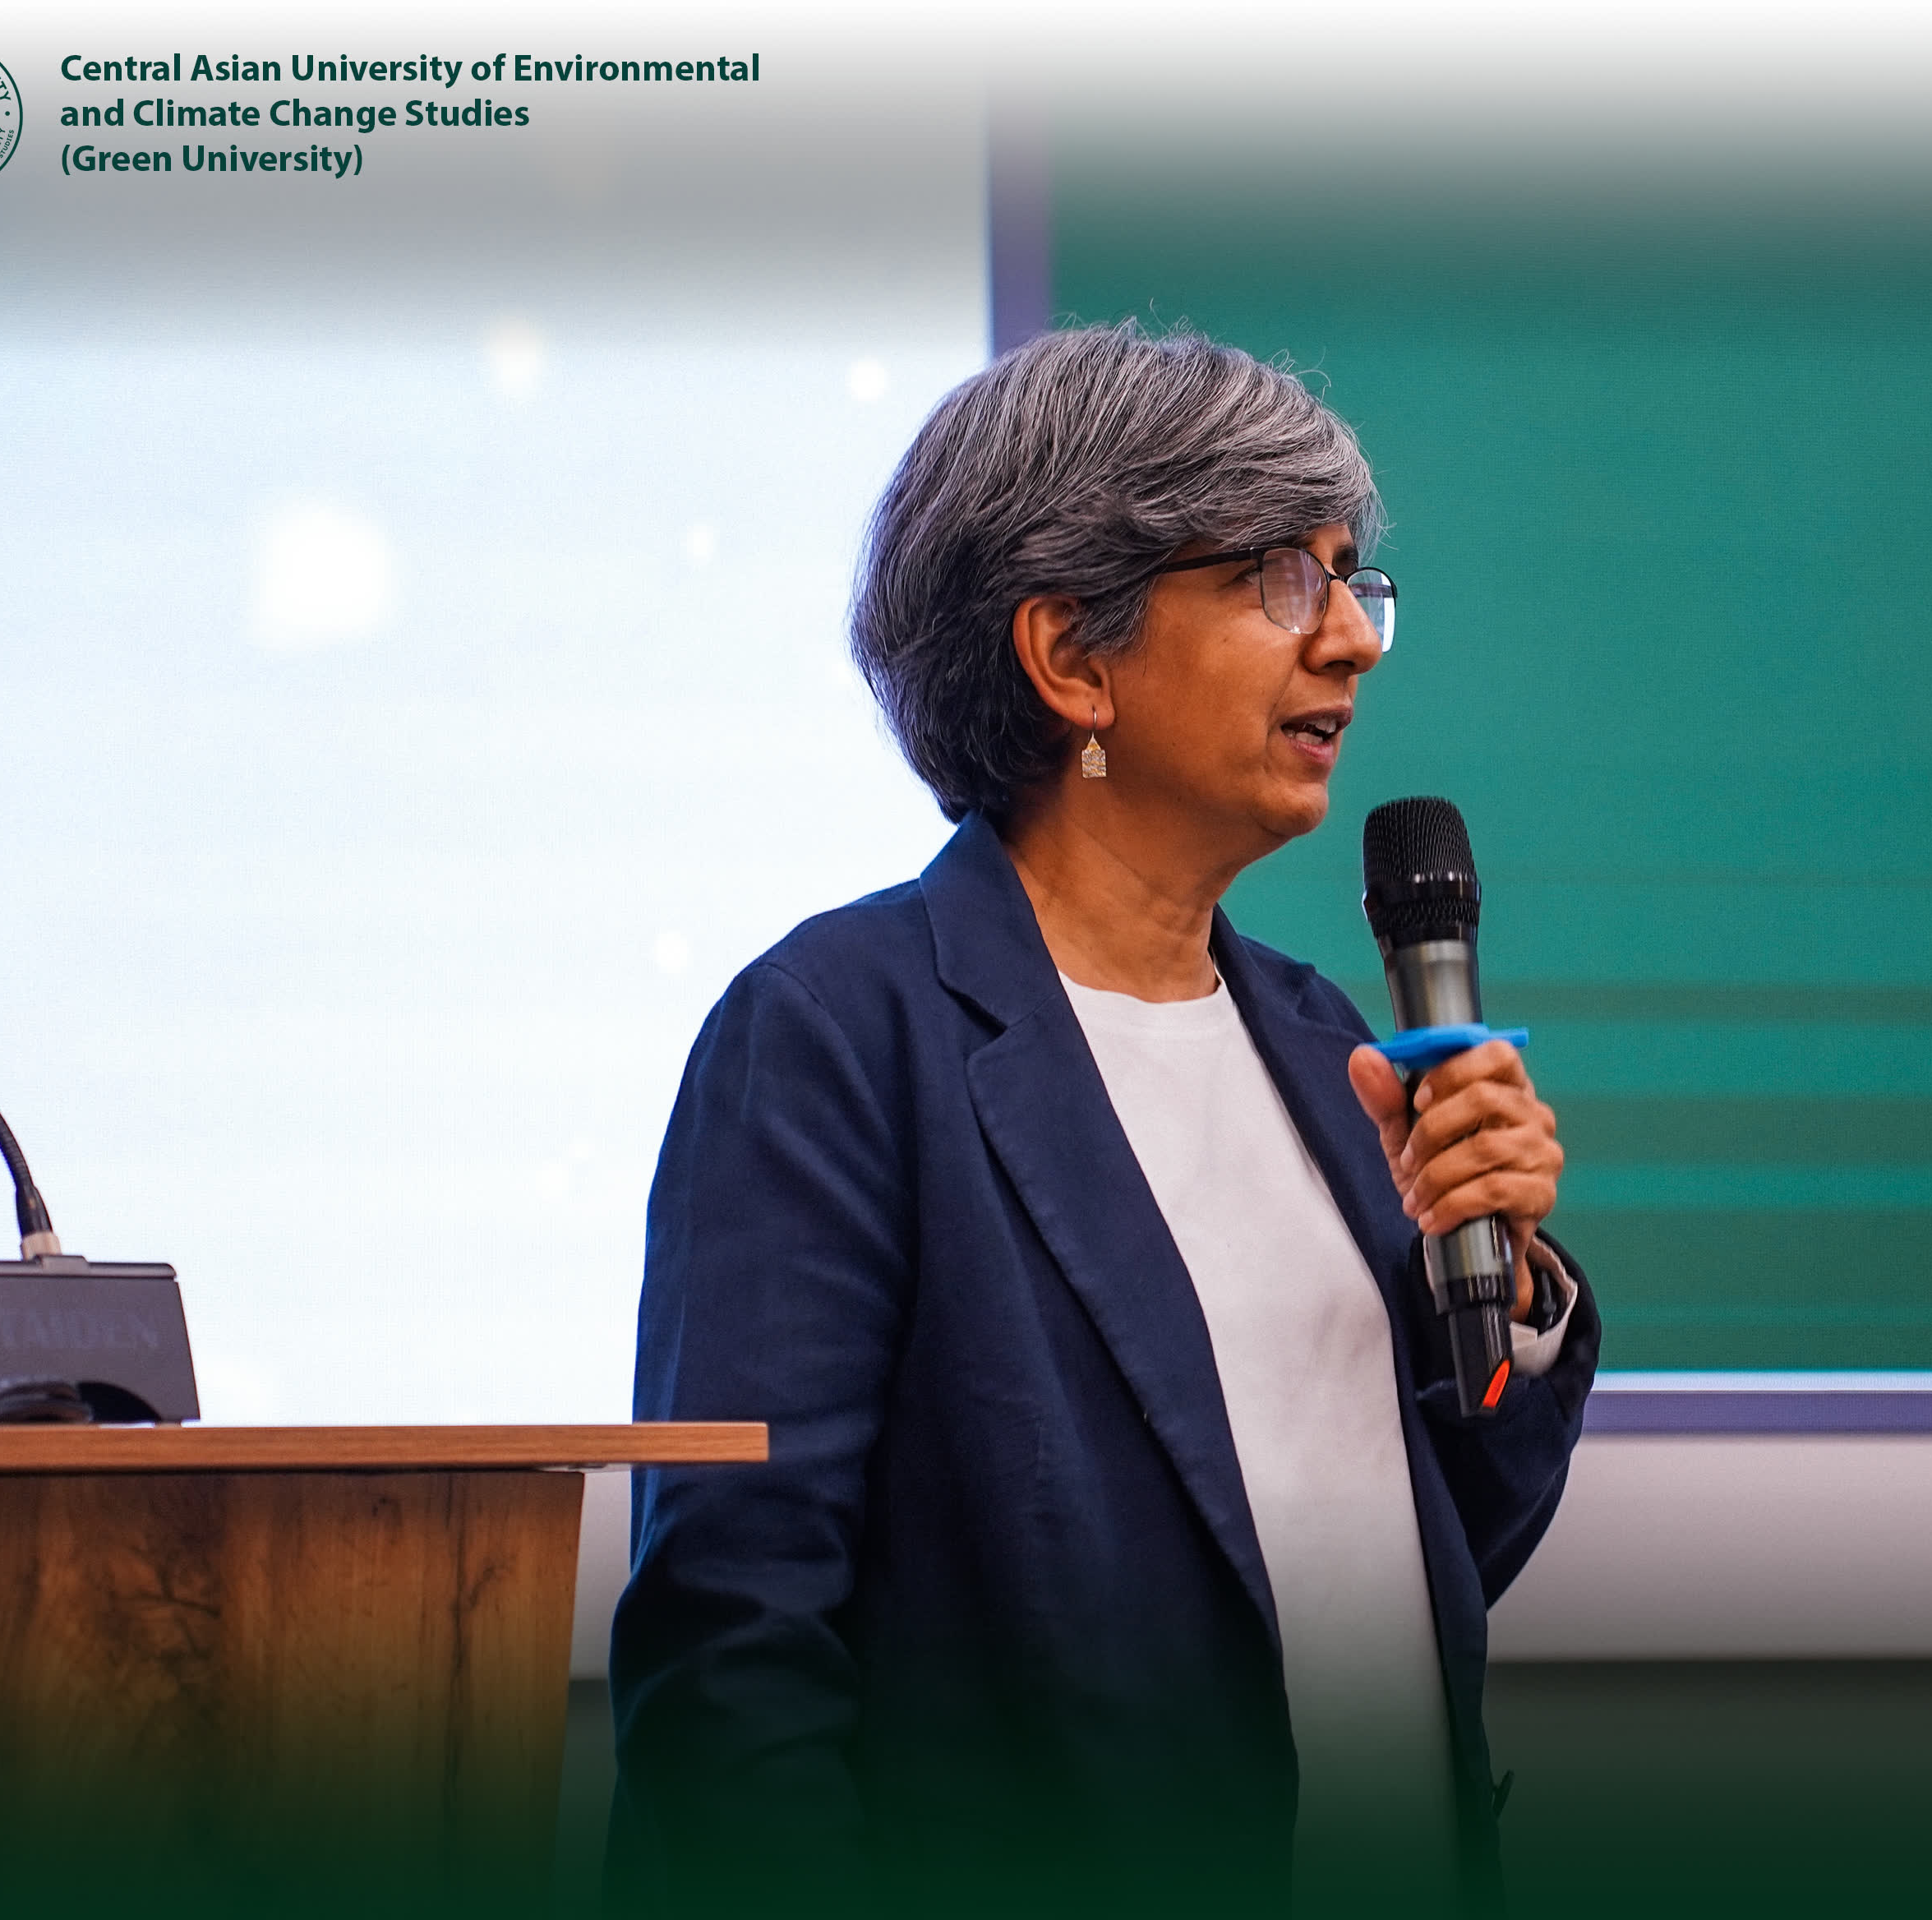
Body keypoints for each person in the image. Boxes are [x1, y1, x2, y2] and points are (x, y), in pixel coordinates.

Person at [607, 321, 1598, 1918]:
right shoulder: (839, 1037)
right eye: (1281, 577)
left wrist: (1501, 1282)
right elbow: (734, 1655)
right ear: (1073, 656)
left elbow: (1405, 1565)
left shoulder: (1321, 1040)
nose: (1353, 638)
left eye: (1354, 579)